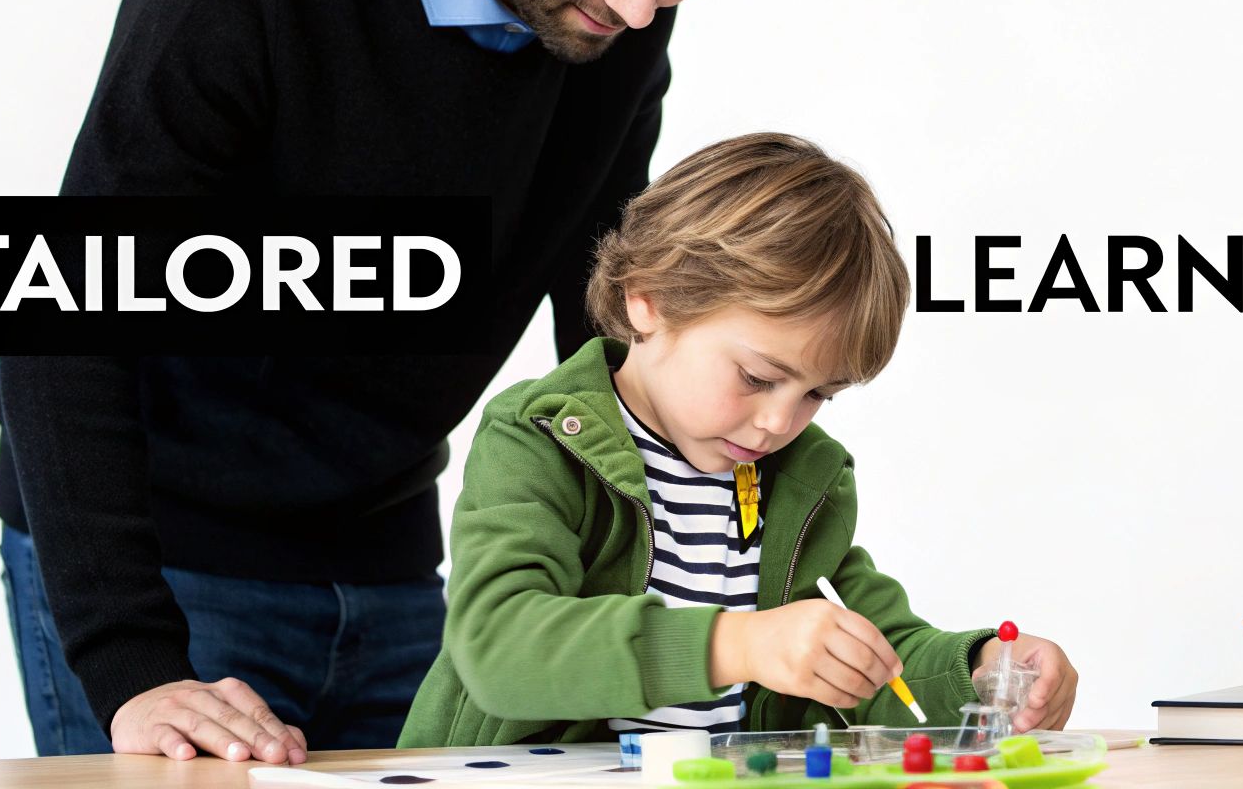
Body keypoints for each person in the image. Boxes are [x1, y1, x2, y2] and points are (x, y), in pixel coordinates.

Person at [0, 0, 764, 763]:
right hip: (165, 556)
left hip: (388, 554)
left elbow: (602, 312)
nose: (641, 6)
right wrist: (132, 662)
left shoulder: (614, 20)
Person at [398, 134, 1080, 747]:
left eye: (817, 395)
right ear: (648, 298)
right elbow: (500, 647)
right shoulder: (540, 436)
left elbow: (880, 660)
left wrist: (982, 674)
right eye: (758, 377)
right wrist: (738, 643)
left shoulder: (799, 481)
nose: (781, 424)